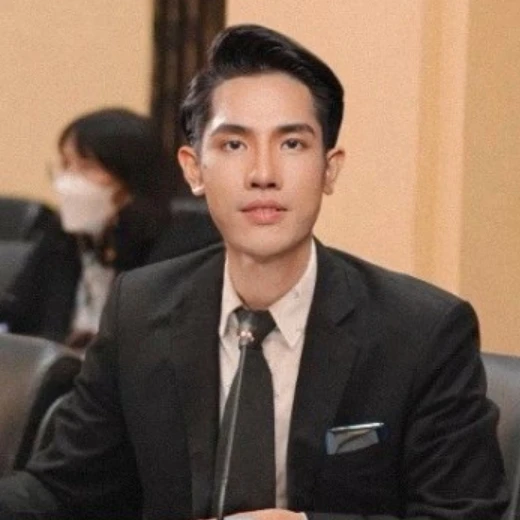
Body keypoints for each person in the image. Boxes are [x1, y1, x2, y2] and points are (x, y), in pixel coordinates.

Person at [0, 24, 509, 519]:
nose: (263, 174)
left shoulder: (421, 333)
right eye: (234, 145)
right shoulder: (140, 309)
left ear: (329, 168)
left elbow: (463, 512)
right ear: (193, 169)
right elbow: (62, 490)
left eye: (292, 144)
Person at [48, 107, 219, 348]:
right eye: (66, 164)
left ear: (130, 175)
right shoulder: (64, 234)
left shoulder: (181, 243)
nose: (69, 179)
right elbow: (23, 315)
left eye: (87, 166)